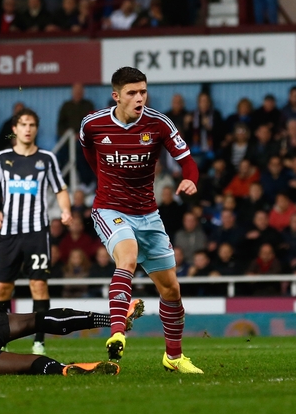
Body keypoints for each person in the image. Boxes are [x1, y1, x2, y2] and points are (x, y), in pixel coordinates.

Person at [79, 67, 203, 373]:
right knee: (128, 256)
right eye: (132, 93)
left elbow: (188, 162)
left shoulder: (158, 123)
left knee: (171, 290)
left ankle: (173, 359)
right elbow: (89, 154)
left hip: (148, 214)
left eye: (143, 92)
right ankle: (117, 331)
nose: (139, 98)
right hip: (110, 209)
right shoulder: (93, 124)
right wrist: (105, 183)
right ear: (116, 96)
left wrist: (191, 180)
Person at [0, 109, 72, 356]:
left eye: (32, 124)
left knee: (39, 286)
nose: (28, 129)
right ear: (14, 129)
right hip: (9, 233)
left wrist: (65, 210)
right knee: (2, 288)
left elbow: (60, 188)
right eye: (23, 124)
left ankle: (39, 343)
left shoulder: (47, 158)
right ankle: (0, 341)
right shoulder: (2, 158)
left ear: (36, 128)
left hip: (36, 234)